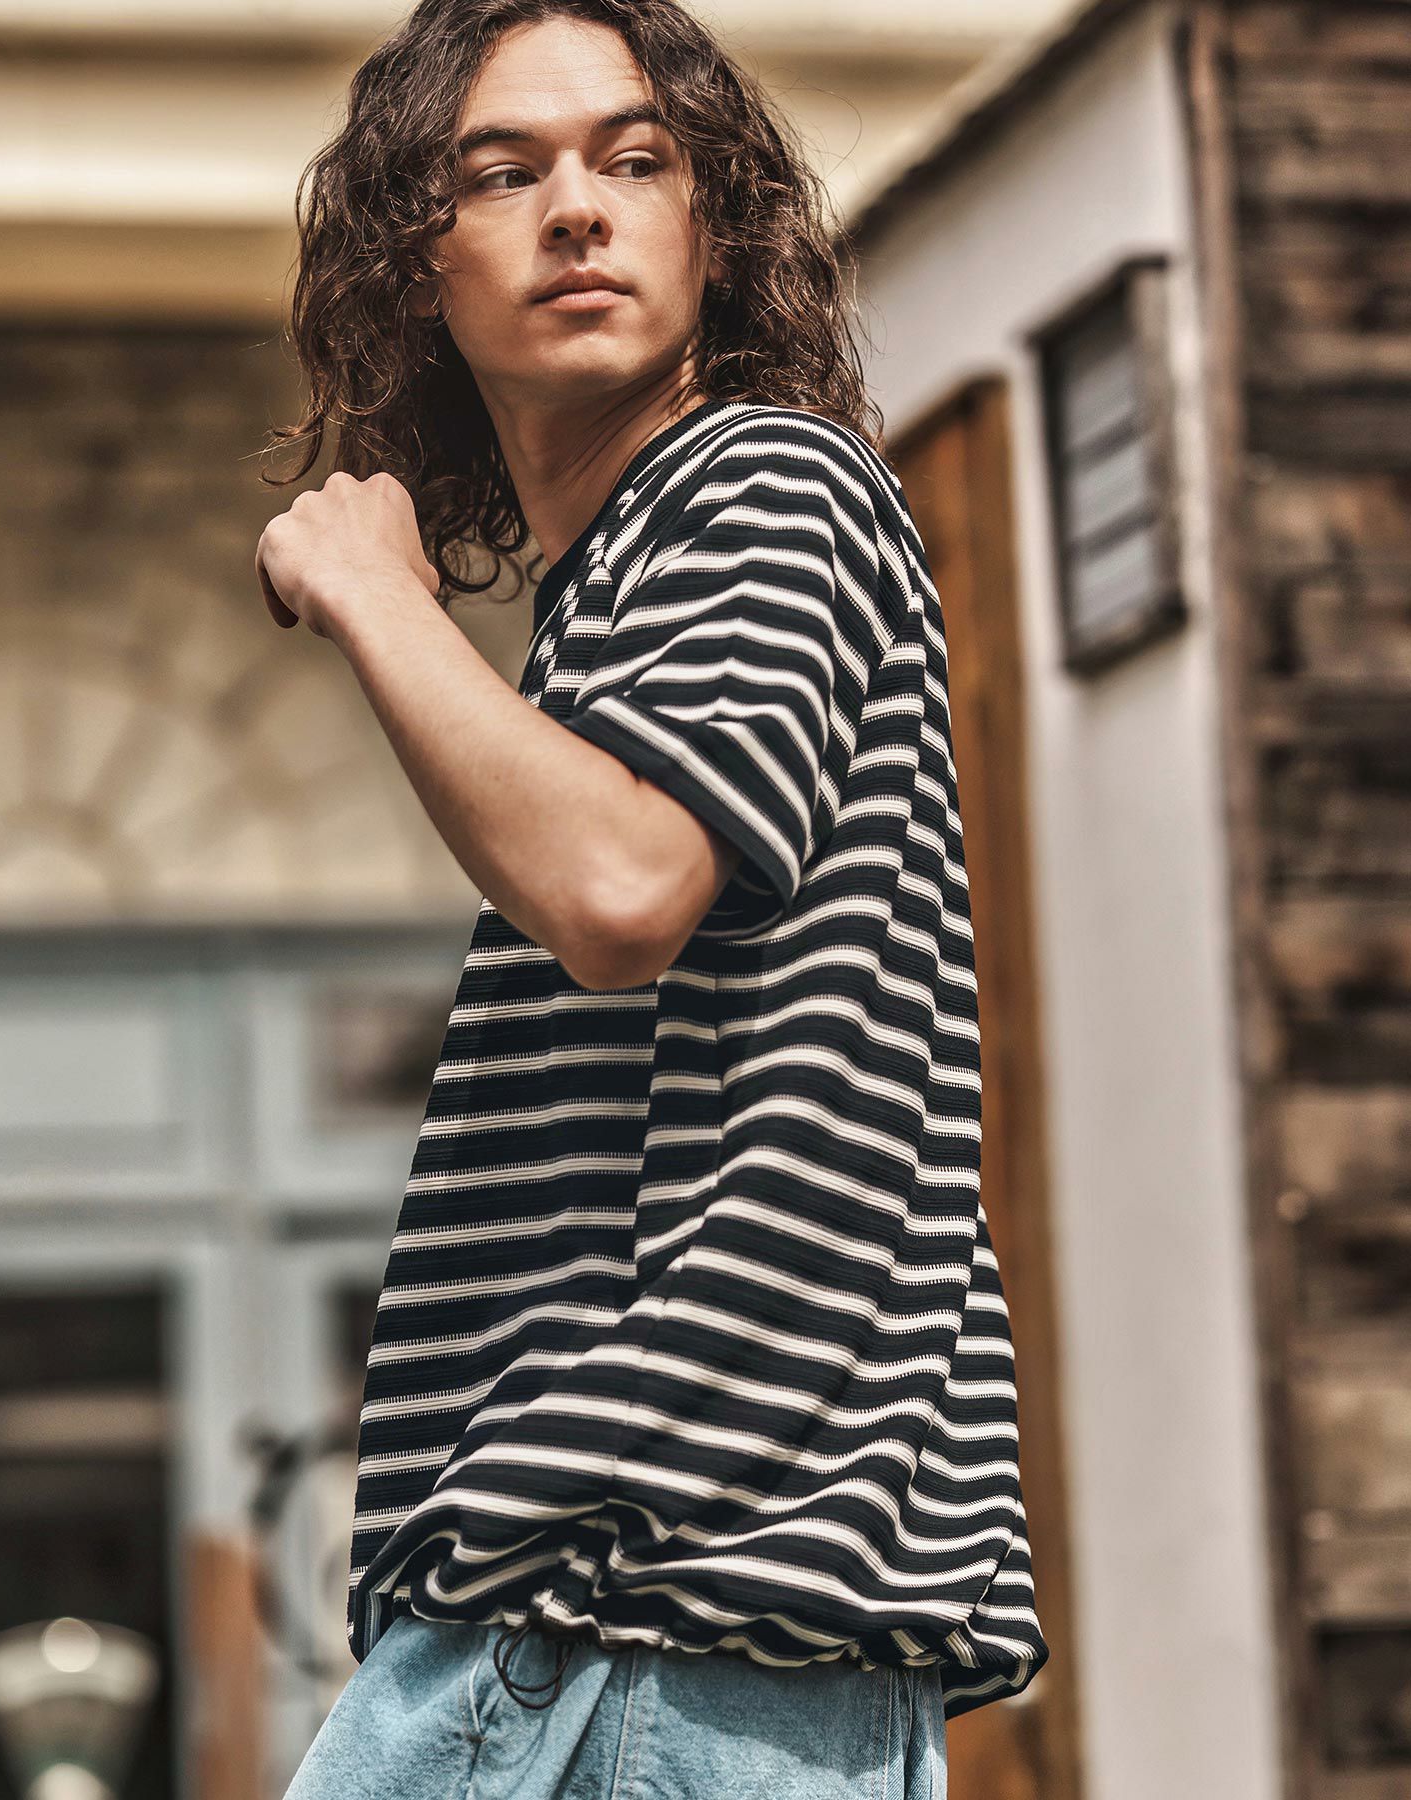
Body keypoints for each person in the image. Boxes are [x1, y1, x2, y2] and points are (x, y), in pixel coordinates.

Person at [254, 1, 1050, 1793]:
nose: (579, 209)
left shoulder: (759, 482)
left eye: (636, 160)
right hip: (690, 1645)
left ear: (715, 228)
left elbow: (621, 885)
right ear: (415, 267)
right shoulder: (633, 579)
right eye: (501, 173)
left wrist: (377, 590)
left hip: (628, 1621)